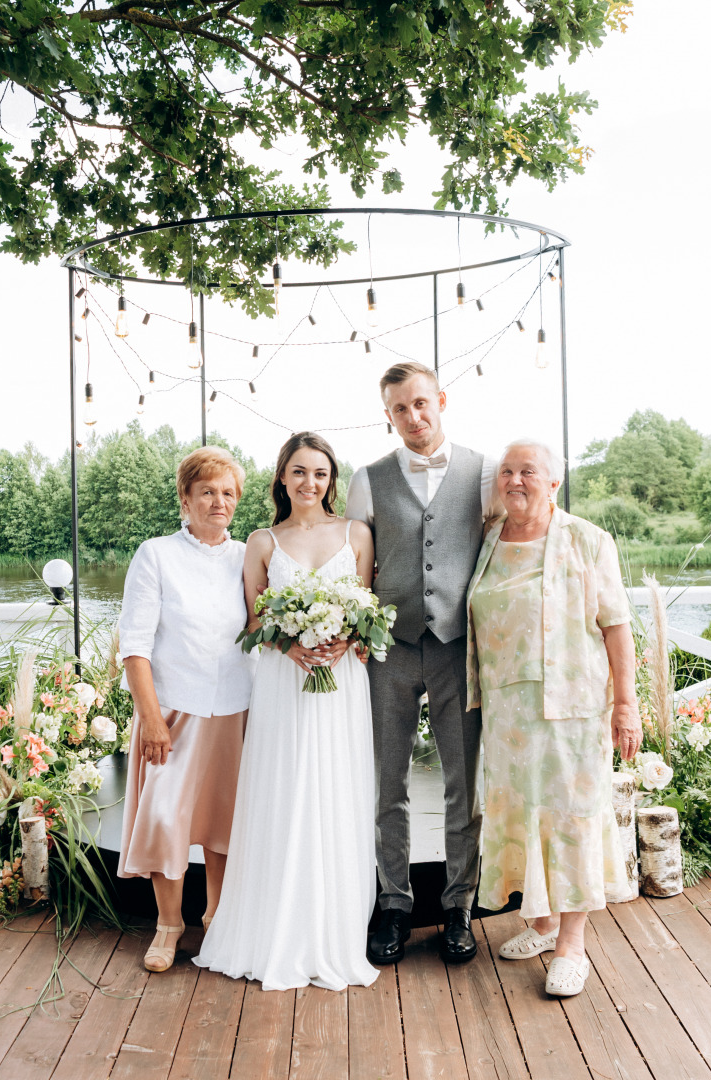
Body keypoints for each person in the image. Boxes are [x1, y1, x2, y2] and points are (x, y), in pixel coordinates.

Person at [195, 432, 380, 991]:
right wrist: (292, 643)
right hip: (283, 682)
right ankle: (274, 927)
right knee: (284, 791)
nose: (309, 483)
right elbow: (253, 623)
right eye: (298, 472)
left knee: (336, 792)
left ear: (331, 479)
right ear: (282, 478)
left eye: (319, 473)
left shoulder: (357, 535)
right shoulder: (261, 541)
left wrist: (345, 641)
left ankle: (334, 928)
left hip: (341, 684)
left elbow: (366, 613)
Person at [466, 438, 642, 997]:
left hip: (573, 710)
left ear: (554, 482)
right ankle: (541, 922)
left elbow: (617, 625)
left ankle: (571, 945)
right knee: (522, 817)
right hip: (508, 714)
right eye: (507, 471)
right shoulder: (490, 539)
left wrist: (627, 705)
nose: (515, 480)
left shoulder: (589, 541)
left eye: (529, 471)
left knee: (570, 819)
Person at [345, 362, 497, 966]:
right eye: (399, 409)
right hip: (391, 648)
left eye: (420, 404)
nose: (412, 417)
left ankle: (459, 906)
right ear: (388, 415)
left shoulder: (483, 473)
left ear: (441, 400)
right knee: (390, 783)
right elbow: (356, 569)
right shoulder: (367, 479)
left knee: (466, 784)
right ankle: (395, 905)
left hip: (461, 648)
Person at [116, 446, 258, 973]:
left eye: (227, 493)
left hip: (235, 710)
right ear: (186, 497)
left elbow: (259, 627)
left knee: (225, 821)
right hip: (173, 711)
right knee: (165, 816)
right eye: (207, 491)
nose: (218, 502)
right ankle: (169, 924)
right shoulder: (155, 554)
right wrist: (150, 718)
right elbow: (134, 644)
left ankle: (216, 918)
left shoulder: (248, 555)